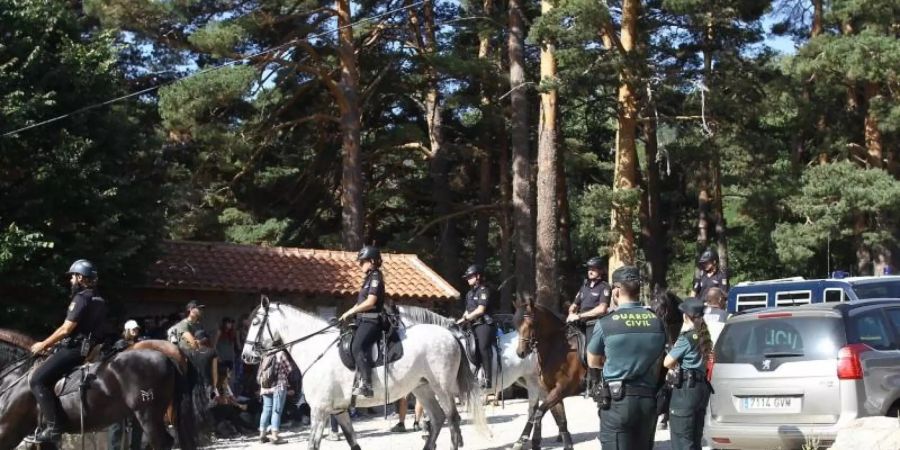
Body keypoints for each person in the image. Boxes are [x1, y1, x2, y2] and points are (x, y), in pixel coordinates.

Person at [27, 259, 108, 443]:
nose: (71, 280)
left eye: (73, 276)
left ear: (80, 277)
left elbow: (66, 329)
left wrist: (44, 345)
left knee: (37, 380)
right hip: (89, 349)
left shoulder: (81, 298)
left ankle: (54, 428)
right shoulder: (99, 299)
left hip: (74, 349)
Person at [587, 265, 666, 450]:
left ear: (616, 290)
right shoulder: (656, 321)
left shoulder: (606, 323)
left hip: (618, 402)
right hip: (648, 401)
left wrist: (613, 362)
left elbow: (592, 361)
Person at [663, 298, 713, 450]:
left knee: (682, 439)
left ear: (686, 316)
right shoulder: (704, 334)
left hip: (686, 390)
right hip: (701, 388)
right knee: (695, 438)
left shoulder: (687, 337)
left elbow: (667, 362)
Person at [339, 245, 386, 398]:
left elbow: (371, 301)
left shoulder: (376, 277)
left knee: (357, 346)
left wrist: (352, 311)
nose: (360, 265)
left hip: (372, 321)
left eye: (362, 262)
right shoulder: (368, 278)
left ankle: (367, 384)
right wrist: (347, 313)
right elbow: (360, 303)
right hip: (362, 320)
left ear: (372, 261)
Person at [108, 320, 146, 450]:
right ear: (127, 330)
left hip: (135, 388)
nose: (135, 331)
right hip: (120, 389)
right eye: (133, 329)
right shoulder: (120, 344)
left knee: (138, 423)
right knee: (117, 425)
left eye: (137, 329)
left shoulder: (141, 343)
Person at [456, 264, 495, 389]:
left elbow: (480, 310)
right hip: (472, 324)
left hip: (484, 324)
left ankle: (488, 378)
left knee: (483, 347)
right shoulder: (468, 294)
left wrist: (466, 318)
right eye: (467, 277)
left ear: (478, 276)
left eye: (470, 276)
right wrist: (459, 321)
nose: (468, 279)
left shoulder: (484, 290)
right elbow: (468, 311)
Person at [567, 256, 612, 338]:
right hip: (580, 323)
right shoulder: (584, 286)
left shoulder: (604, 287)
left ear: (601, 271)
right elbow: (574, 305)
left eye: (593, 269)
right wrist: (571, 313)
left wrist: (579, 316)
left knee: (588, 348)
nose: (590, 272)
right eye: (589, 269)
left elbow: (602, 309)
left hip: (594, 324)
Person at [258, 344, 292, 444]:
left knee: (266, 409)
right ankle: (275, 436)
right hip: (278, 386)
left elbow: (260, 371)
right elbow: (289, 368)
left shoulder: (264, 354)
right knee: (276, 411)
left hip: (265, 386)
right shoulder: (281, 353)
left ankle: (262, 435)